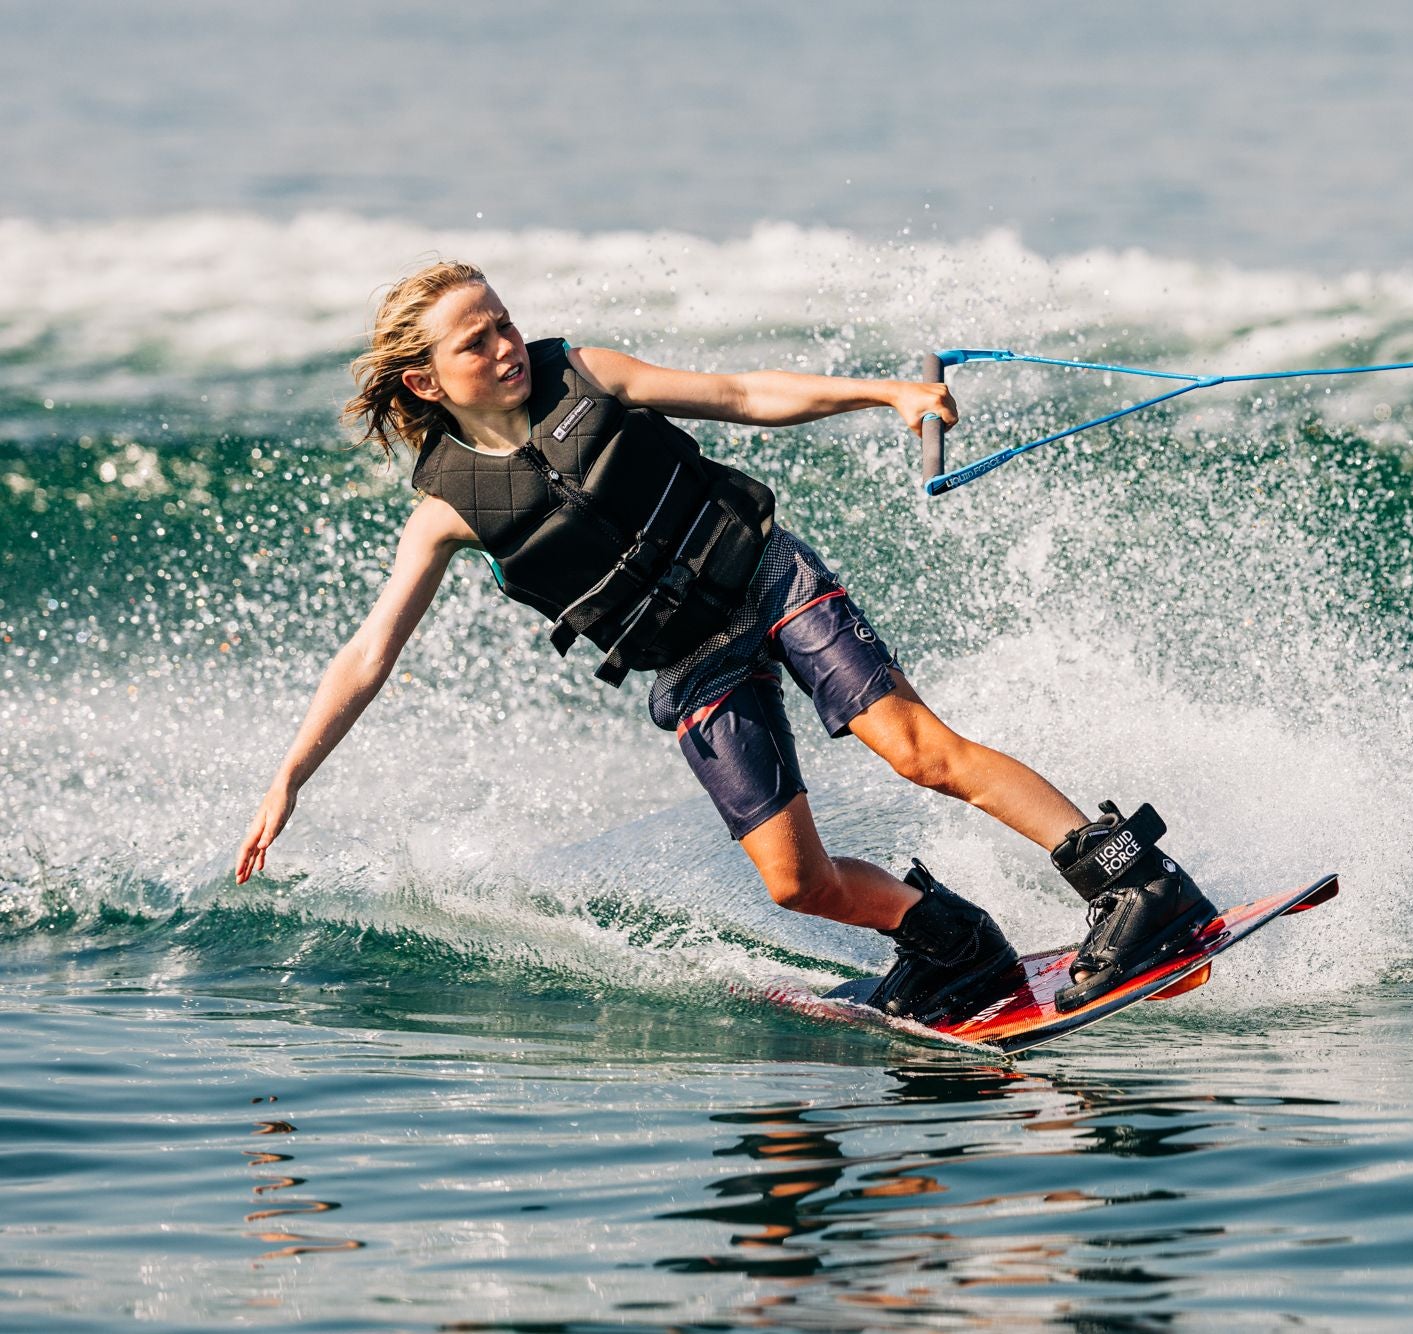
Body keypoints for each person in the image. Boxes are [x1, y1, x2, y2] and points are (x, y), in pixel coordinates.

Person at [234, 260, 1216, 1021]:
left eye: (503, 320)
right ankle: (952, 944)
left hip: (765, 577)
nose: (504, 343)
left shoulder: (587, 373)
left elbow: (744, 394)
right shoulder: (447, 507)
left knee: (920, 749)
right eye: (475, 339)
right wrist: (288, 777)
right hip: (689, 661)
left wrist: (886, 395)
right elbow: (367, 657)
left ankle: (1134, 880)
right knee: (797, 882)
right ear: (424, 376)